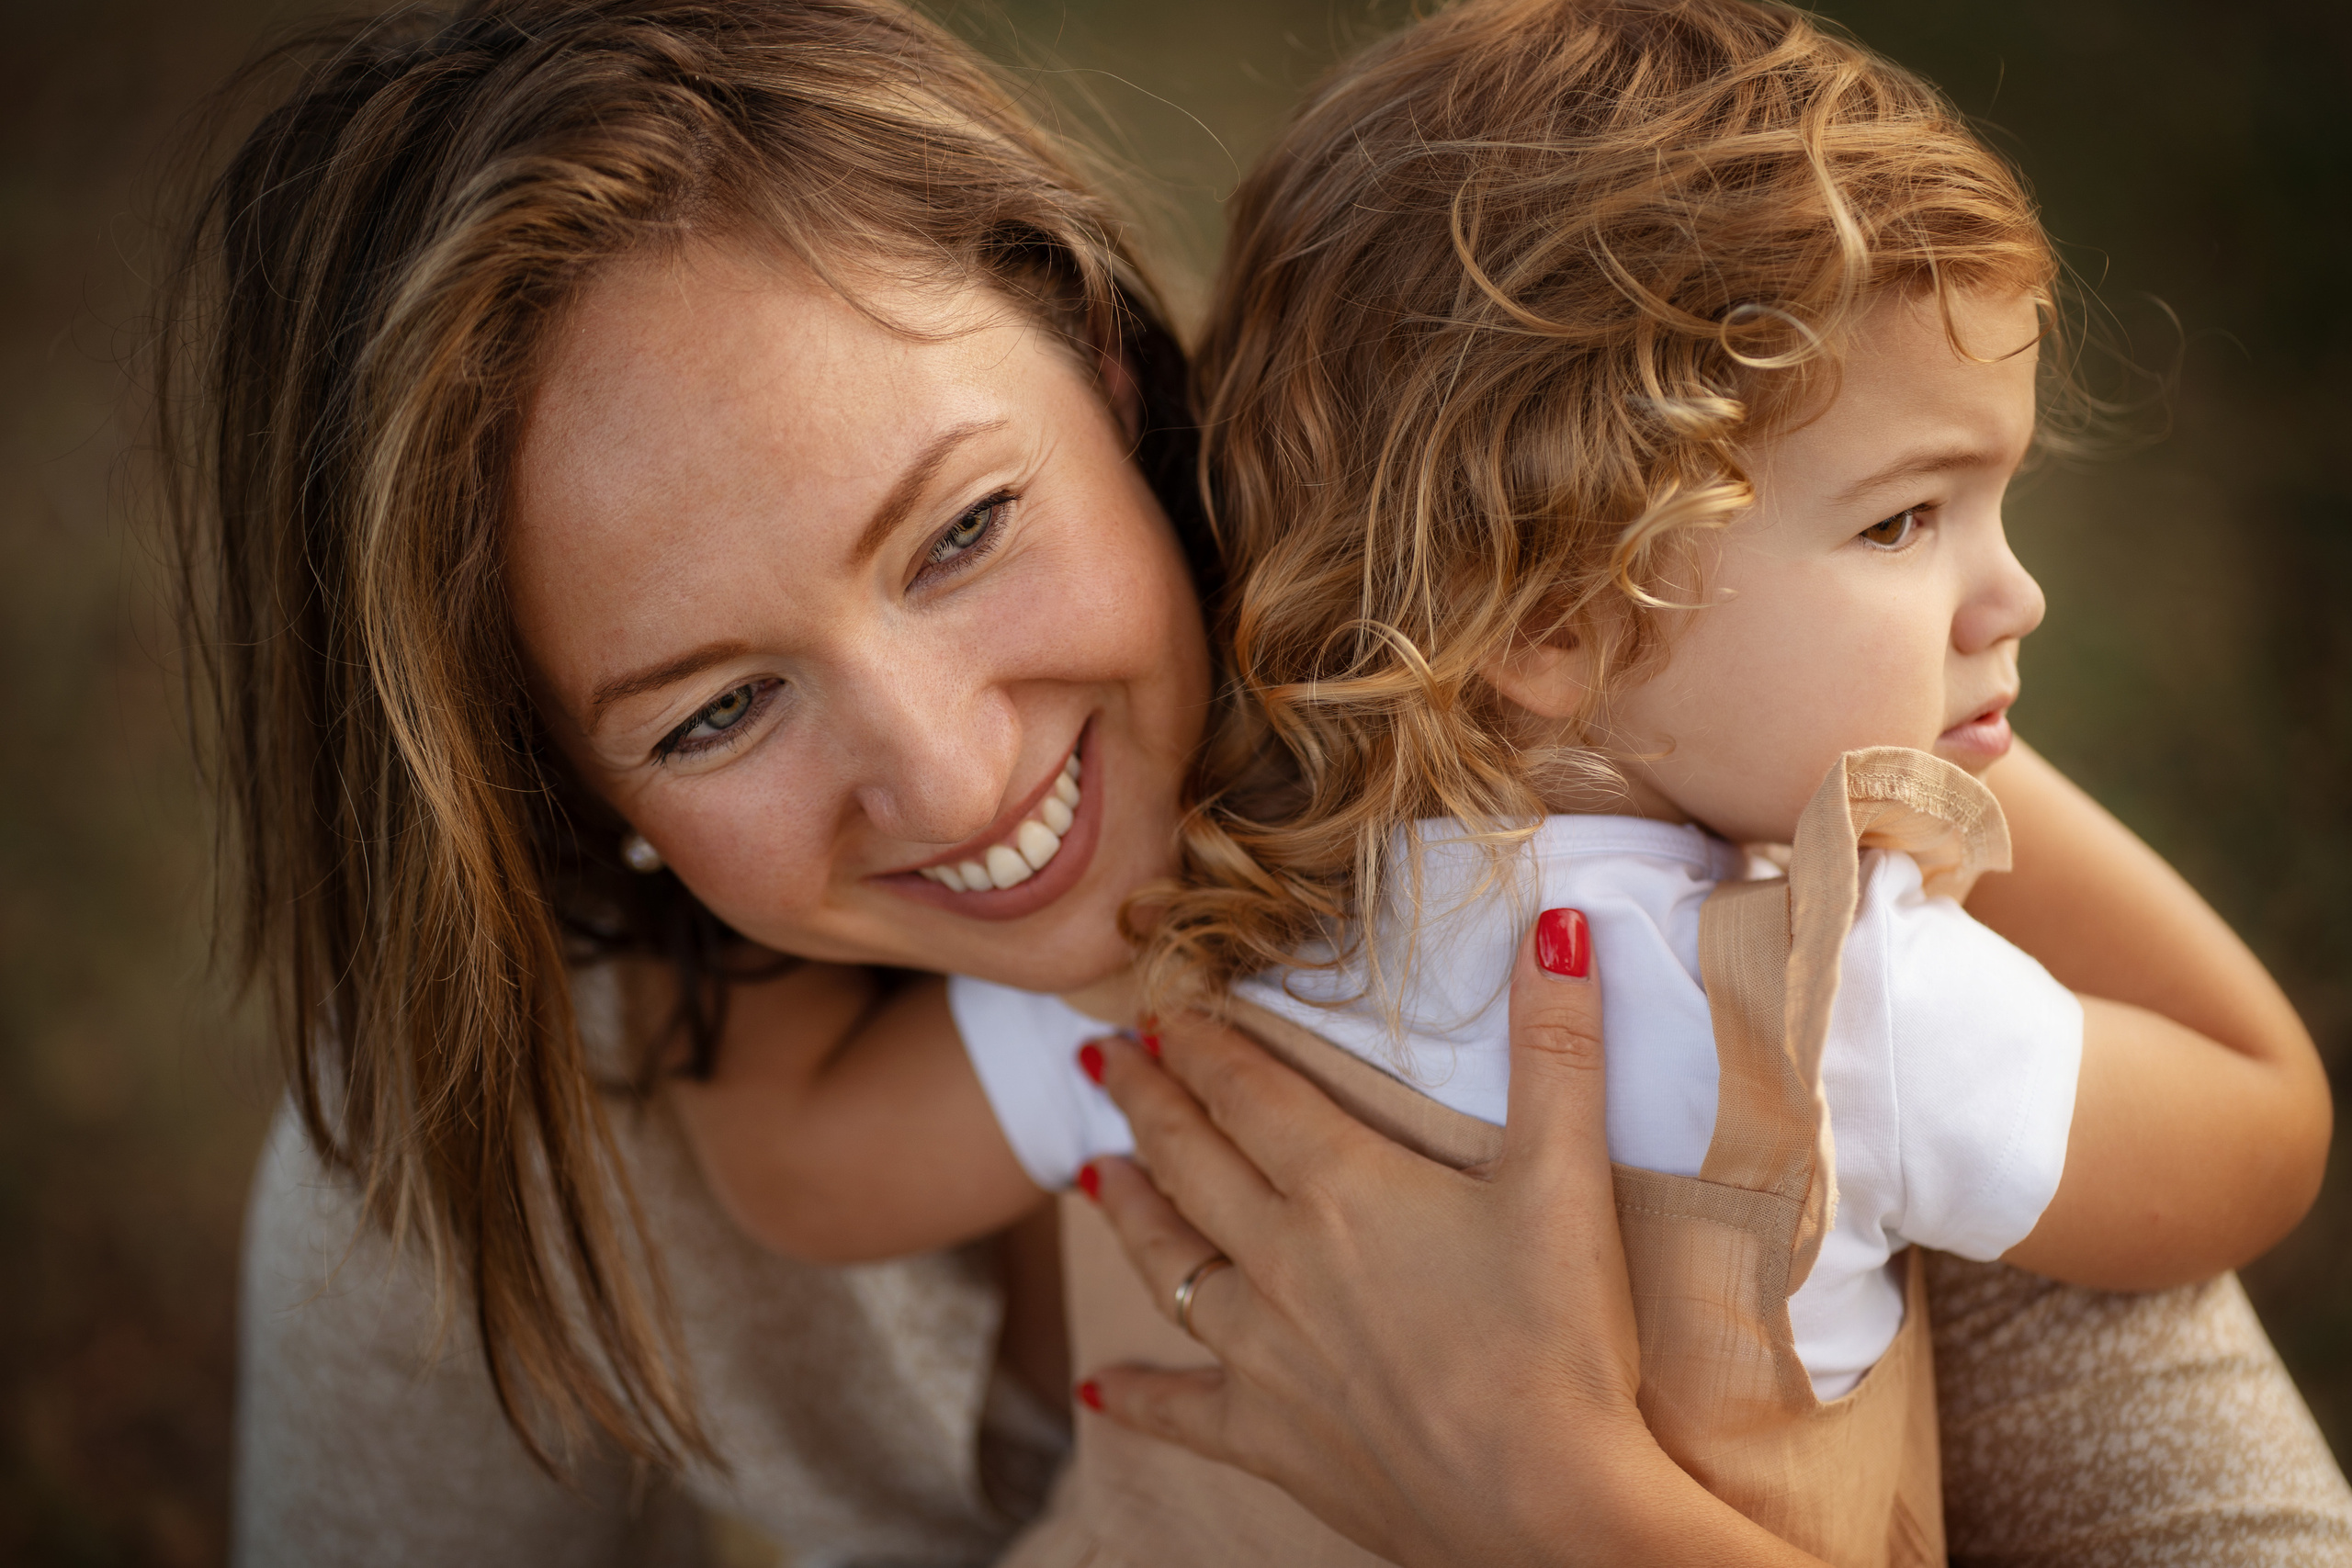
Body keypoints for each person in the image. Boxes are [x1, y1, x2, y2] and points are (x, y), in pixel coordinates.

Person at [171, 1, 2348, 1562]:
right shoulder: (513, 1122)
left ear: (1117, 368)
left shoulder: (1769, 840)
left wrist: (1552, 1505)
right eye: (710, 712)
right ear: (543, 788)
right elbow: (2256, 1108)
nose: (959, 772)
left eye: (959, 530)